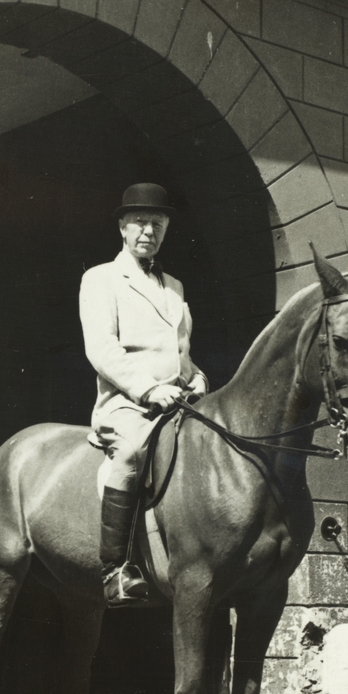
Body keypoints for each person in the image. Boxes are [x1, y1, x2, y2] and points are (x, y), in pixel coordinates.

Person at [79, 182, 208, 606]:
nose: (148, 231)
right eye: (139, 222)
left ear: (166, 228)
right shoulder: (100, 278)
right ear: (122, 227)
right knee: (132, 451)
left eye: (157, 223)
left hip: (177, 400)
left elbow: (180, 352)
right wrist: (149, 389)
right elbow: (102, 349)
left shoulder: (175, 286)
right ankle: (114, 570)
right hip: (127, 402)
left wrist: (196, 378)